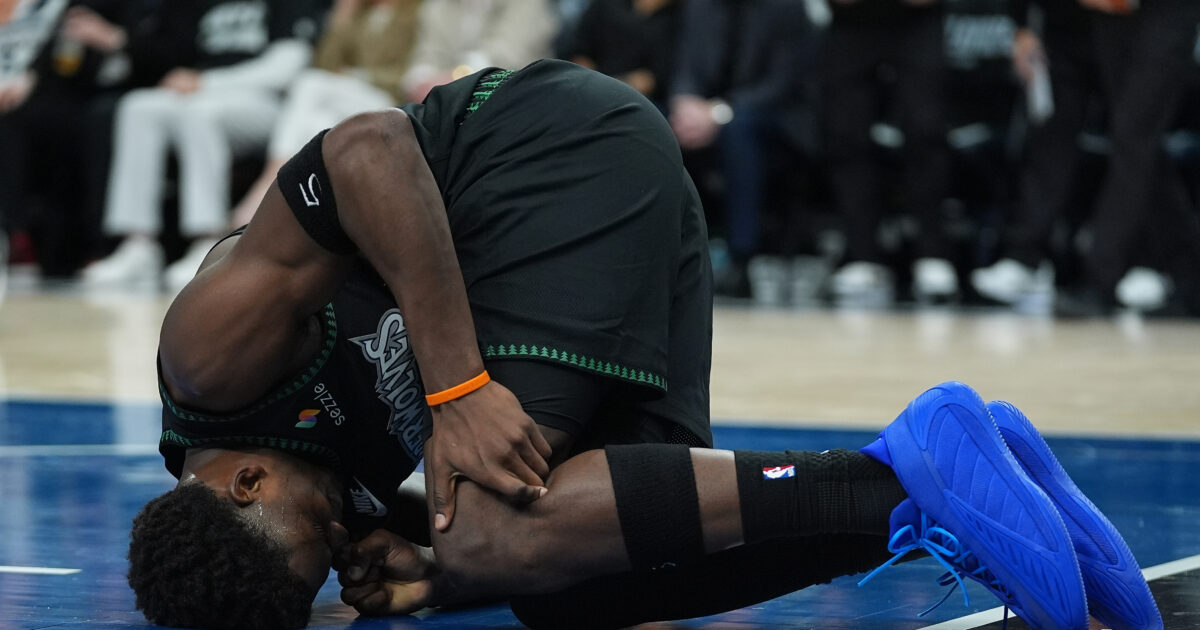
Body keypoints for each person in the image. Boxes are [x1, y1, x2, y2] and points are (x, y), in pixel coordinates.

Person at [128, 61, 1158, 630]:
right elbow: (507, 526)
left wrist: (458, 388)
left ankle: (908, 477)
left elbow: (367, 148)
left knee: (488, 537)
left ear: (249, 481)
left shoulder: (211, 359)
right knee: (582, 588)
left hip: (538, 153)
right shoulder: (290, 490)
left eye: (316, 535)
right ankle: (929, 492)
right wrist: (442, 575)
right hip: (602, 223)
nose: (342, 533)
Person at [80, 0, 324, 292]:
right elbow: (182, 52)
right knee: (138, 107)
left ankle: (207, 240)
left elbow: (287, 68)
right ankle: (138, 243)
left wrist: (206, 83)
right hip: (204, 94)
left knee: (198, 114)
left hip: (266, 102)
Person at [228, 0, 424, 228]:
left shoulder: (416, 12)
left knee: (309, 83)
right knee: (318, 124)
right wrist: (340, 19)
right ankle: (292, 221)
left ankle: (270, 182)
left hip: (387, 99)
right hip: (343, 97)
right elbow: (325, 63)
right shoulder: (359, 14)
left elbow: (410, 71)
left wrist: (357, 76)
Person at [822, 0, 957, 305]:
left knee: (926, 133)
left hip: (917, 19)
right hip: (852, 19)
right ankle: (862, 255)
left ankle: (932, 254)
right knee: (847, 136)